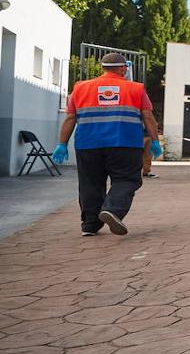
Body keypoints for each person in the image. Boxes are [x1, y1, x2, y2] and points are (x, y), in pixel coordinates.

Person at [51, 52, 161, 236]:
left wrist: (62, 144)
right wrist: (155, 141)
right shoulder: (136, 88)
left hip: (88, 145)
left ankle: (90, 225)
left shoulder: (80, 87)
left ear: (103, 67)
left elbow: (70, 118)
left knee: (90, 183)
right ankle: (113, 210)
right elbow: (148, 117)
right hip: (125, 144)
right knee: (127, 180)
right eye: (125, 68)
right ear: (122, 68)